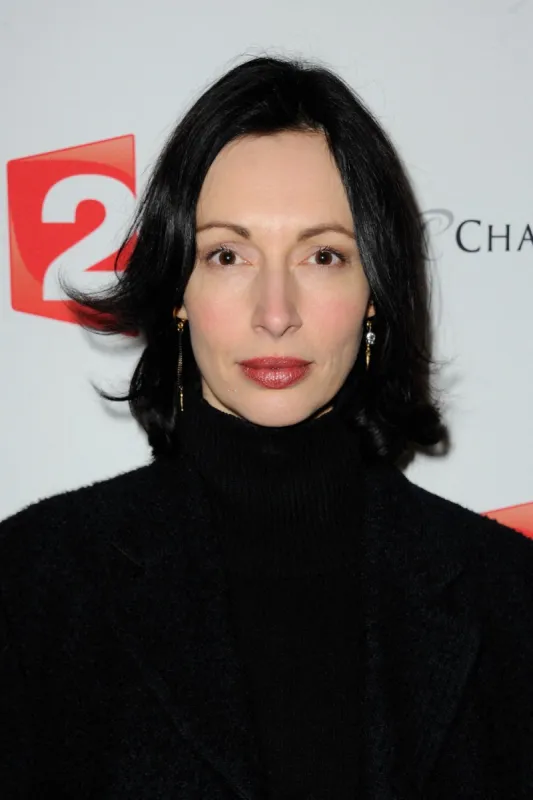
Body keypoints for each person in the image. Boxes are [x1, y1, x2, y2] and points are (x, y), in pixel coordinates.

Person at [1, 54, 532, 800]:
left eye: (322, 255)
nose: (275, 312)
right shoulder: (32, 587)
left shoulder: (508, 597)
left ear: (373, 289)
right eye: (227, 254)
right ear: (178, 289)